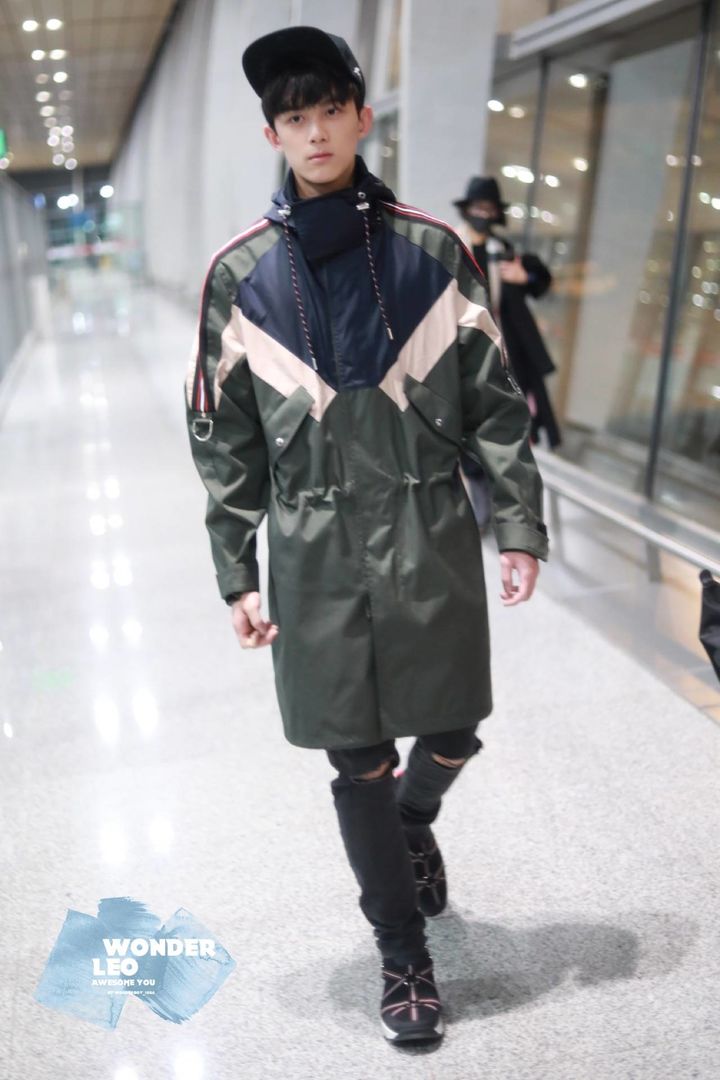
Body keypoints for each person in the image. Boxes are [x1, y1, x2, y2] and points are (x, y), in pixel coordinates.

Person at [185, 25, 549, 1045]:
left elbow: (497, 402)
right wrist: (236, 572)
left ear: (362, 117)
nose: (314, 133)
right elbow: (223, 440)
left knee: (453, 728)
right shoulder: (241, 276)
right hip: (312, 547)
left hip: (428, 526)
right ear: (273, 134)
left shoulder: (433, 252)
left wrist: (517, 522)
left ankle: (414, 823)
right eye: (294, 118)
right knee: (357, 760)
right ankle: (404, 956)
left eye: (329, 112)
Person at [454, 176, 562, 449]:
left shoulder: (503, 253)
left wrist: (525, 277)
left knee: (501, 418)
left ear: (496, 213)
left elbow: (541, 282)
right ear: (467, 210)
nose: (482, 215)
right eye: (478, 208)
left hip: (499, 347)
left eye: (488, 209)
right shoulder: (450, 246)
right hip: (457, 344)